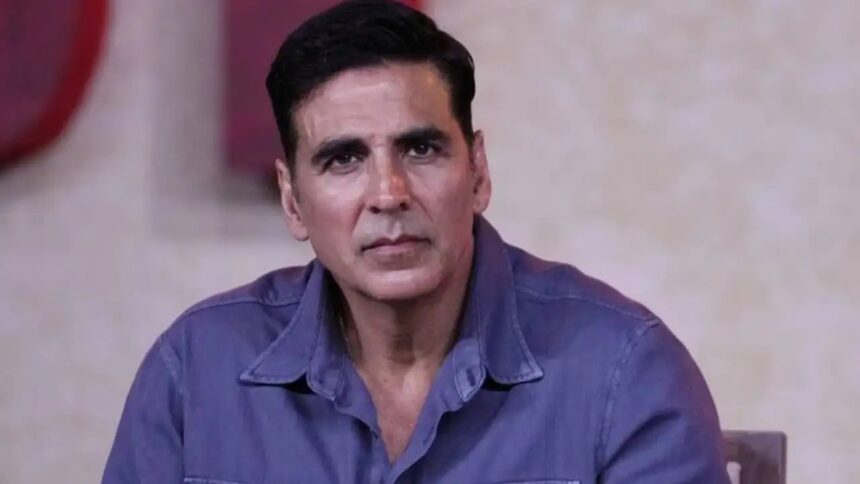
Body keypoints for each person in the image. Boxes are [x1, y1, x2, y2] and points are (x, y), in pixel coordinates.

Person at [103, 1, 730, 483]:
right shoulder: (196, 370)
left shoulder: (626, 370)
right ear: (293, 201)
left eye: (421, 148)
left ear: (478, 172)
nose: (388, 193)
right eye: (343, 159)